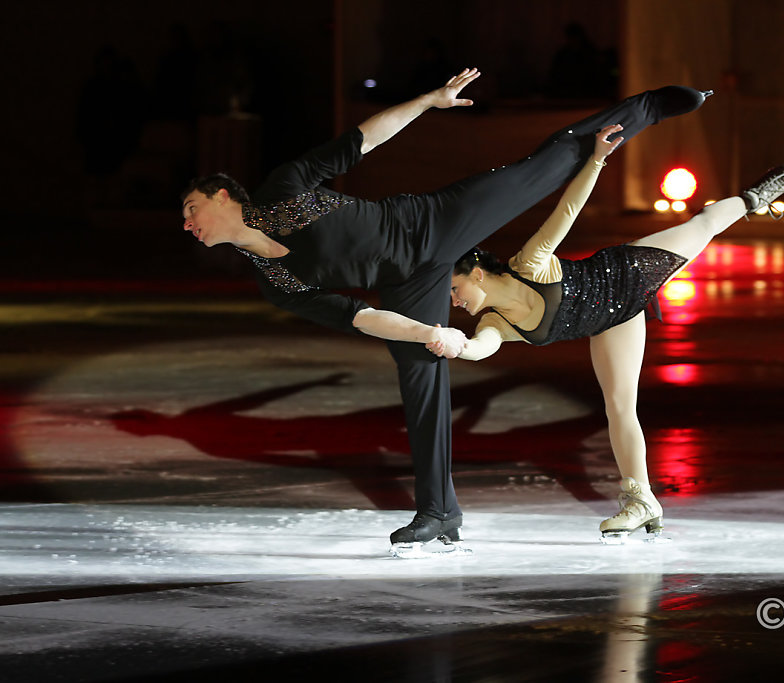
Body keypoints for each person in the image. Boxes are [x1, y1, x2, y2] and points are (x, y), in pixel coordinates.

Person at [181, 68, 712, 554]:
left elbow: (364, 139)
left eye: (191, 208)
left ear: (223, 195)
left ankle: (649, 108)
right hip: (407, 284)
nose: (188, 223)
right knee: (418, 374)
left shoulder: (281, 190)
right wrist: (425, 332)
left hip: (433, 222)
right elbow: (358, 317)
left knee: (544, 166)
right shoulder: (276, 281)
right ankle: (439, 512)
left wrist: (430, 101)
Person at [432, 124, 784, 542]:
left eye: (455, 290)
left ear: (477, 273)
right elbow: (481, 349)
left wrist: (596, 159)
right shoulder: (495, 322)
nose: (454, 301)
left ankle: (753, 198)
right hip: (613, 321)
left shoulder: (529, 264)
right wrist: (454, 344)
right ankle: (641, 500)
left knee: (702, 226)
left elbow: (567, 210)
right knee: (620, 407)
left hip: (626, 273)